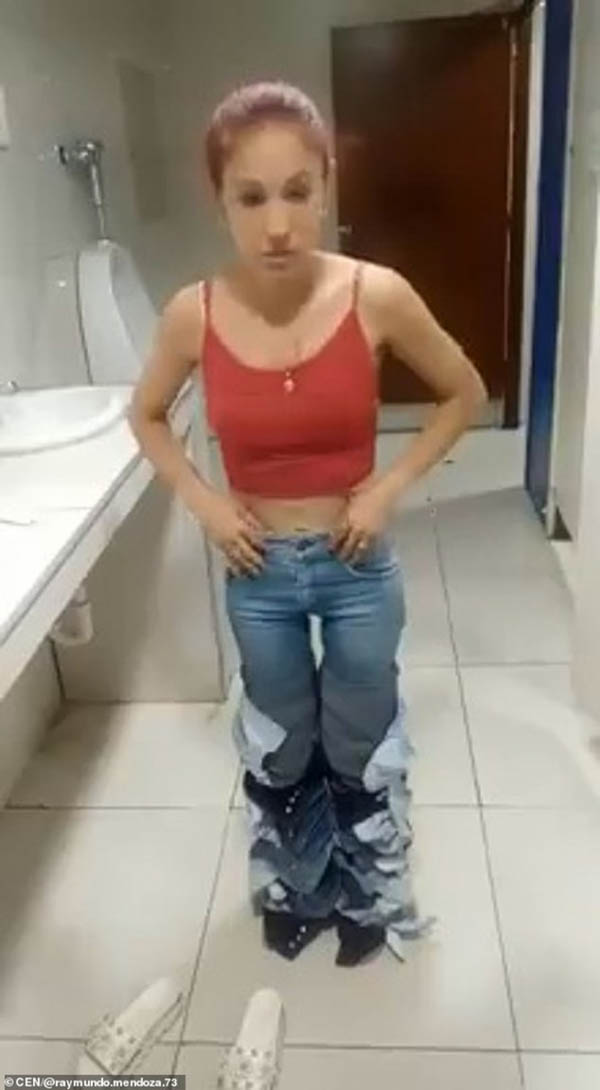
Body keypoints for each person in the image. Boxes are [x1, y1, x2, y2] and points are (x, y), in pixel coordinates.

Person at [129, 80, 487, 967]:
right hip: (257, 571)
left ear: (327, 183)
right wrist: (208, 504)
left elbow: (463, 392)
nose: (278, 225)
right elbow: (146, 416)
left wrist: (388, 486)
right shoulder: (193, 313)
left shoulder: (377, 295)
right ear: (220, 201)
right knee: (282, 742)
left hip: (356, 564)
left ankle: (367, 887)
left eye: (297, 191)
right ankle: (300, 881)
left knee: (359, 740)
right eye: (251, 198)